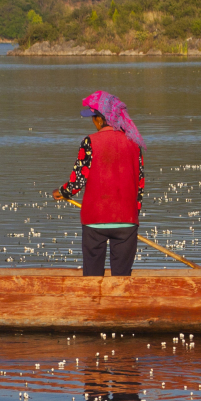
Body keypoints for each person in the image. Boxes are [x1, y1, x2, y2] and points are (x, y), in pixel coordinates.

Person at [53, 90, 145, 277]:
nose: (93, 122)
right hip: (126, 221)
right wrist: (133, 214)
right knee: (121, 280)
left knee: (92, 280)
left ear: (102, 119)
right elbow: (139, 184)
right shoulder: (134, 142)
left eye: (94, 117)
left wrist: (62, 193)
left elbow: (78, 180)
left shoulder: (90, 142)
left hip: (95, 221)